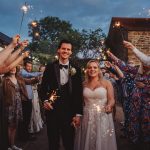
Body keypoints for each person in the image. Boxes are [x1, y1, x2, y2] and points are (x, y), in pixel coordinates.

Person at [40, 39, 83, 150]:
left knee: (69, 143)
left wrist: (78, 114)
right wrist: (45, 101)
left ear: (71, 52)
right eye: (63, 48)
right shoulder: (50, 67)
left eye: (68, 49)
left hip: (70, 112)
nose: (66, 51)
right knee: (53, 143)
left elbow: (78, 92)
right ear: (58, 50)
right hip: (52, 111)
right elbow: (43, 87)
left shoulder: (76, 69)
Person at [74, 60, 117, 150]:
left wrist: (109, 105)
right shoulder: (83, 84)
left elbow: (111, 99)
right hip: (86, 116)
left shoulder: (107, 83)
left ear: (99, 70)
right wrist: (77, 116)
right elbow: (79, 102)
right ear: (87, 70)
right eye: (89, 67)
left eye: (95, 67)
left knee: (102, 139)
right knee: (87, 139)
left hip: (103, 115)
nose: (92, 69)